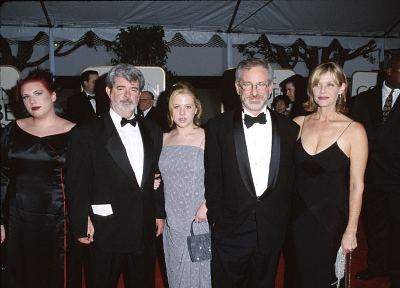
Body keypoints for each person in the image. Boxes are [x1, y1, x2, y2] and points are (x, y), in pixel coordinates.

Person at [65, 63, 165, 288]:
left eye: (133, 89)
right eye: (121, 88)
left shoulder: (153, 130)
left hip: (142, 226)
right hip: (104, 228)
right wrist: (81, 222)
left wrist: (159, 211)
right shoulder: (85, 132)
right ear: (108, 91)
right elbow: (76, 182)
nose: (128, 95)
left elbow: (157, 173)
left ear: (140, 94)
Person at [204, 58, 299, 288]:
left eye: (261, 84)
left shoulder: (290, 129)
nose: (254, 91)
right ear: (238, 88)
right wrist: (216, 219)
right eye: (248, 85)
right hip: (230, 229)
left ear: (270, 88)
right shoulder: (218, 126)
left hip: (272, 229)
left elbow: (292, 180)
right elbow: (213, 177)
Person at [285, 62, 368, 287]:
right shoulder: (298, 124)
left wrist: (351, 229)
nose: (322, 91)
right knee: (296, 276)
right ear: (311, 89)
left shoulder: (355, 130)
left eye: (330, 84)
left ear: (342, 88)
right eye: (317, 85)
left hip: (330, 220)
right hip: (296, 218)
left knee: (323, 278)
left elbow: (356, 185)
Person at [0, 69, 75, 288]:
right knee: (18, 273)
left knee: (57, 274)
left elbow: (84, 181)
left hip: (58, 219)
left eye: (38, 93)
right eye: (26, 96)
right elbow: (2, 176)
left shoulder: (76, 133)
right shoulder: (11, 131)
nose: (32, 100)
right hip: (17, 217)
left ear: (52, 96)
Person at [351, 54, 400, 286]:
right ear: (389, 71)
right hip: (369, 177)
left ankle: (396, 272)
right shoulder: (362, 101)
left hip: (397, 179)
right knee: (374, 225)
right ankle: (377, 265)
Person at [159, 81, 211, 288]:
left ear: (196, 109)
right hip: (172, 221)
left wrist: (207, 205)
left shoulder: (207, 136)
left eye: (187, 107)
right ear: (170, 111)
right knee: (175, 272)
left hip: (198, 219)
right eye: (176, 107)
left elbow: (220, 176)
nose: (182, 113)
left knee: (200, 270)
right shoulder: (163, 139)